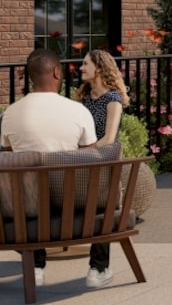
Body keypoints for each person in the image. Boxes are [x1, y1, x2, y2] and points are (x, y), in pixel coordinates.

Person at [0, 50, 107, 288]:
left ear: (30, 77)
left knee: (27, 188)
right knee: (101, 187)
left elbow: (10, 159)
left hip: (25, 211)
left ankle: (36, 267)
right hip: (73, 206)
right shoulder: (78, 111)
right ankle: (98, 268)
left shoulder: (10, 114)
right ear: (57, 72)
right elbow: (90, 159)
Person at [77, 49, 127, 147]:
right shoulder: (85, 95)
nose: (81, 68)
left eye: (86, 64)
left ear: (99, 68)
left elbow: (109, 139)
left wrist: (81, 153)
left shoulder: (113, 99)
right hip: (83, 154)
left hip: (104, 155)